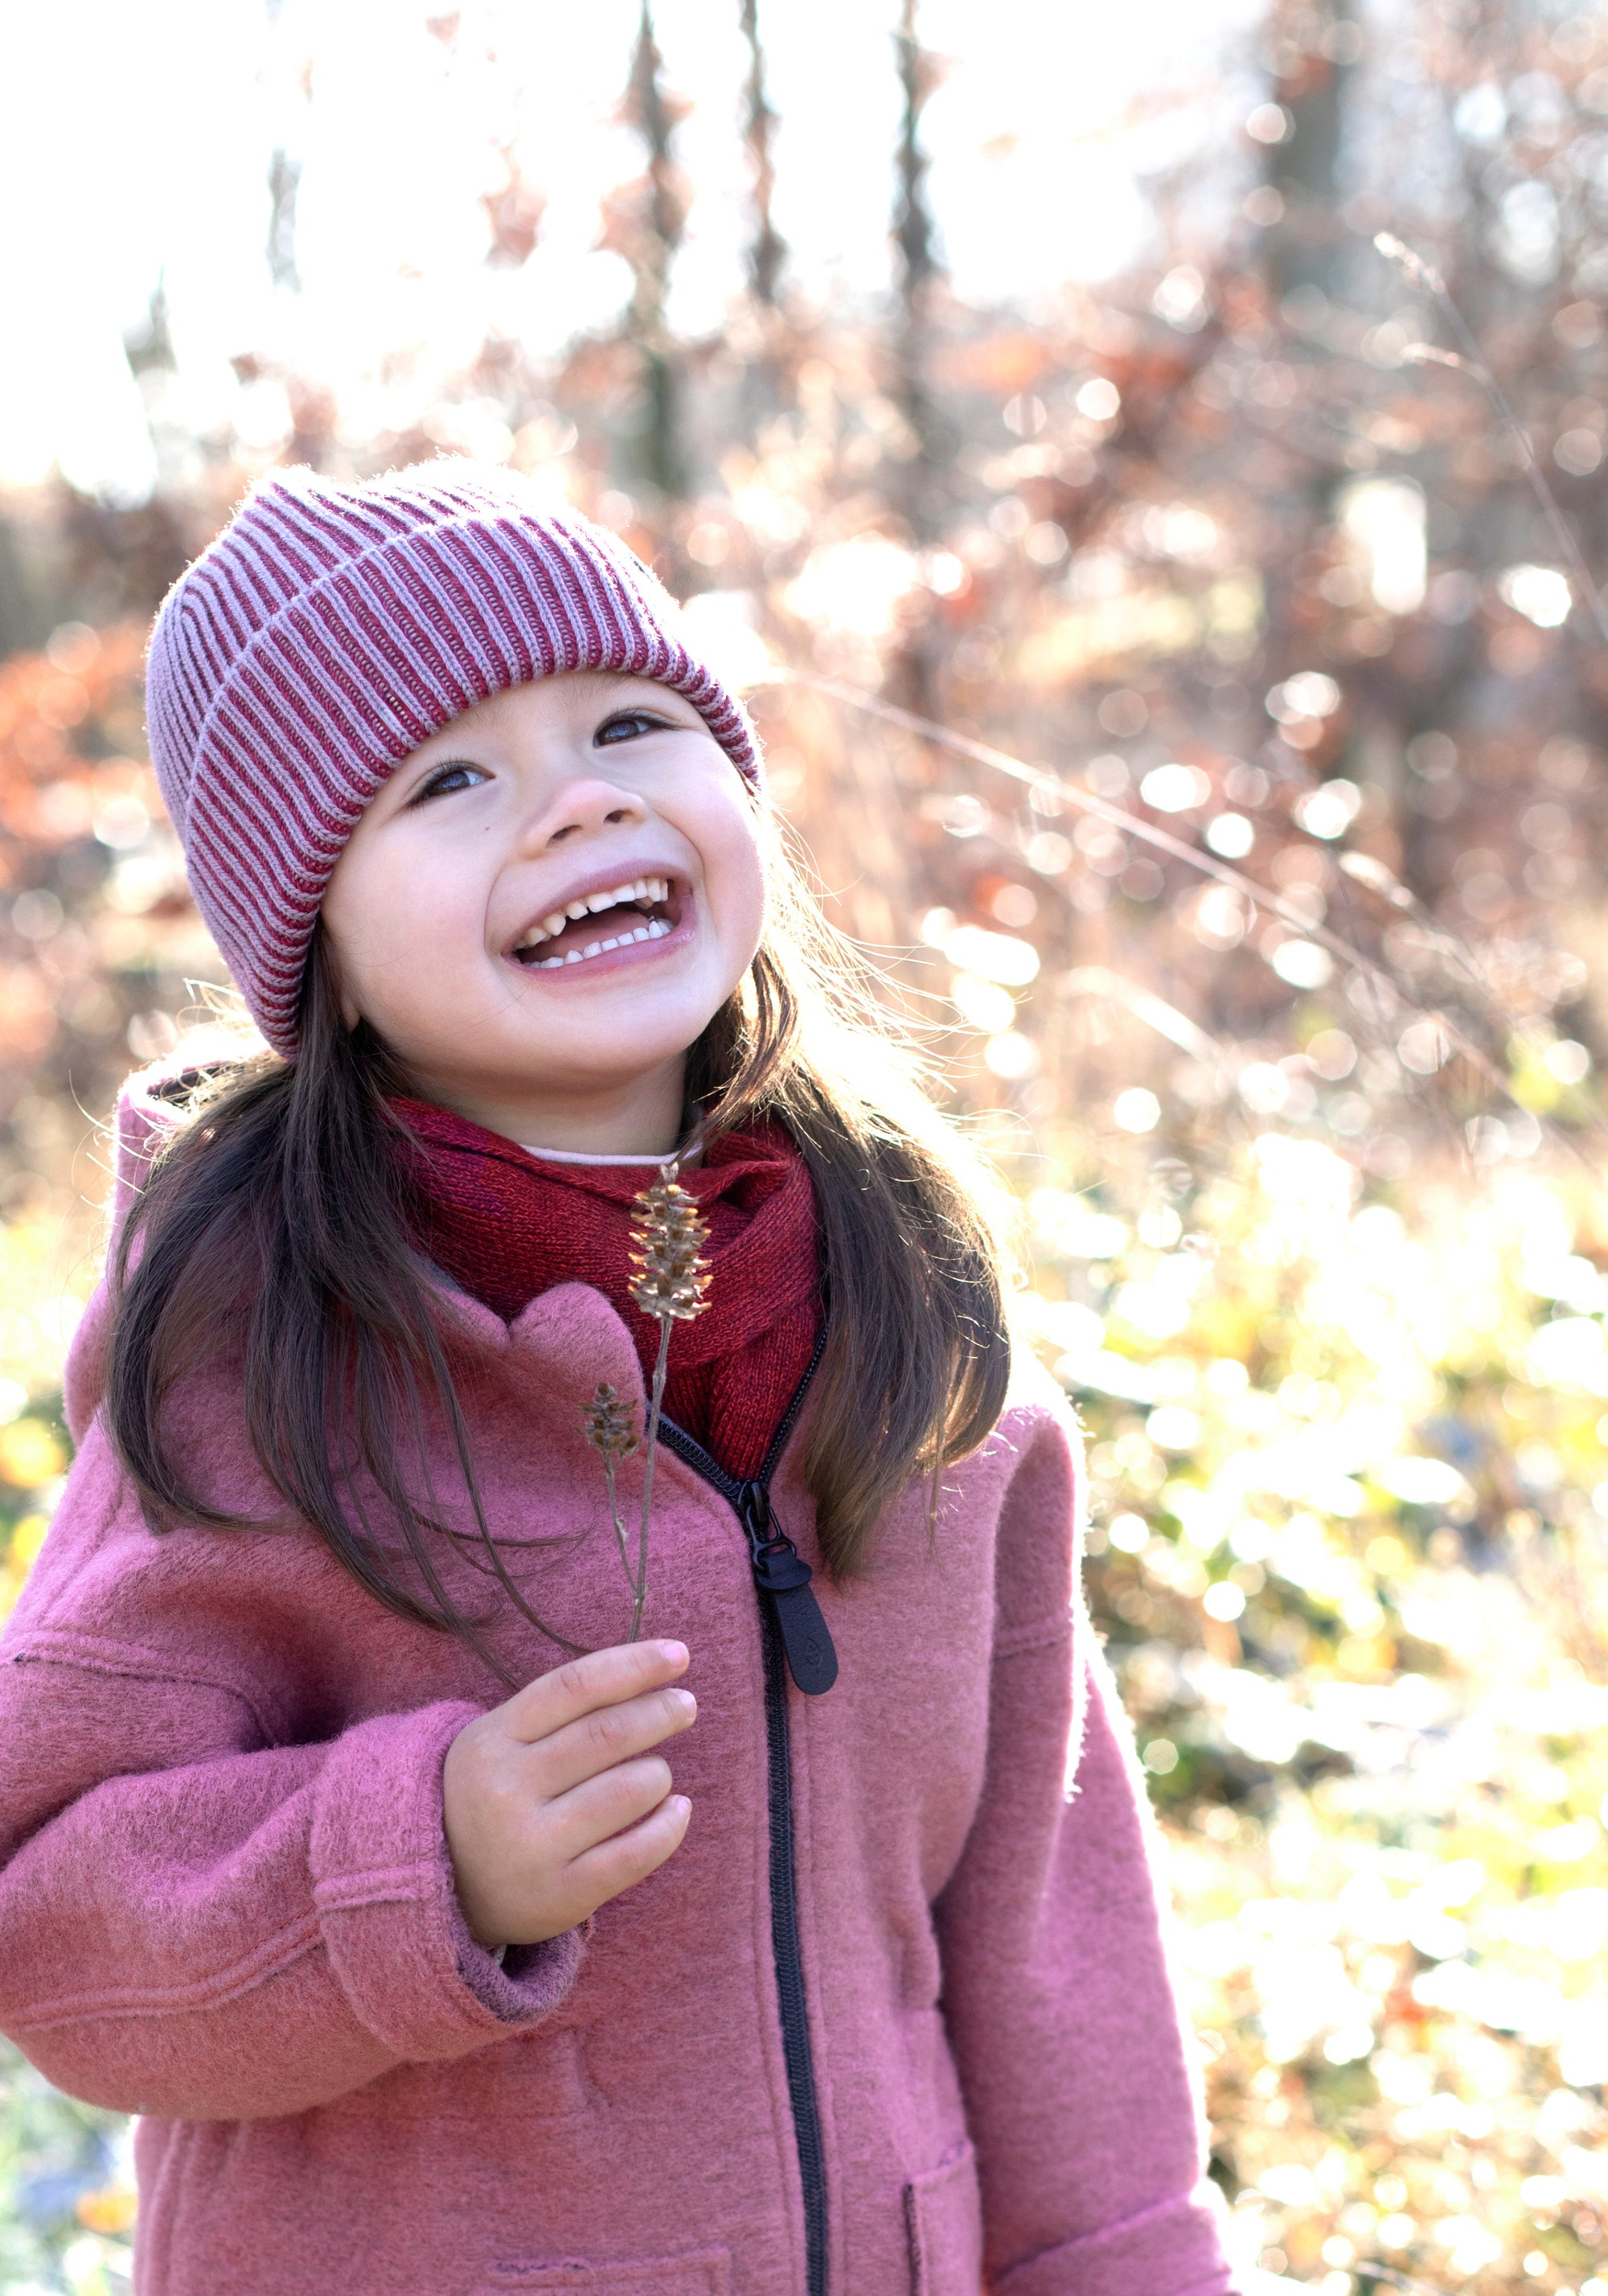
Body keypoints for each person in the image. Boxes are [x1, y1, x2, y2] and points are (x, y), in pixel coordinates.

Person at [0, 465, 1236, 2296]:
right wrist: (414, 1865)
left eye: (631, 722)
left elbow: (1049, 1940)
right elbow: (55, 1927)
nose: (579, 795)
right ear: (312, 940)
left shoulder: (913, 1329)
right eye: (447, 779)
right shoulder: (254, 1361)